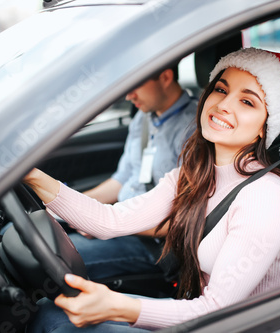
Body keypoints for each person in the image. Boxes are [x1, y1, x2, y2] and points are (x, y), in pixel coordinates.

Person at [25, 47, 280, 332]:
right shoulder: (193, 174)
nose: (224, 105)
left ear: (266, 128)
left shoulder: (265, 198)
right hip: (194, 311)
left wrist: (116, 306)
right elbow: (108, 220)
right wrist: (31, 177)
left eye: (248, 102)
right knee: (50, 312)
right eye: (221, 90)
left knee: (53, 322)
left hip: (223, 324)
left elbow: (217, 312)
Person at [68, 64, 197, 282]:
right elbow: (121, 180)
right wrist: (68, 207)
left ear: (165, 76)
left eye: (135, 85)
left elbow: (184, 220)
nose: (128, 95)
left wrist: (110, 223)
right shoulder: (144, 118)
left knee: (60, 259)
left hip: (152, 241)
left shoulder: (192, 129)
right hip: (120, 220)